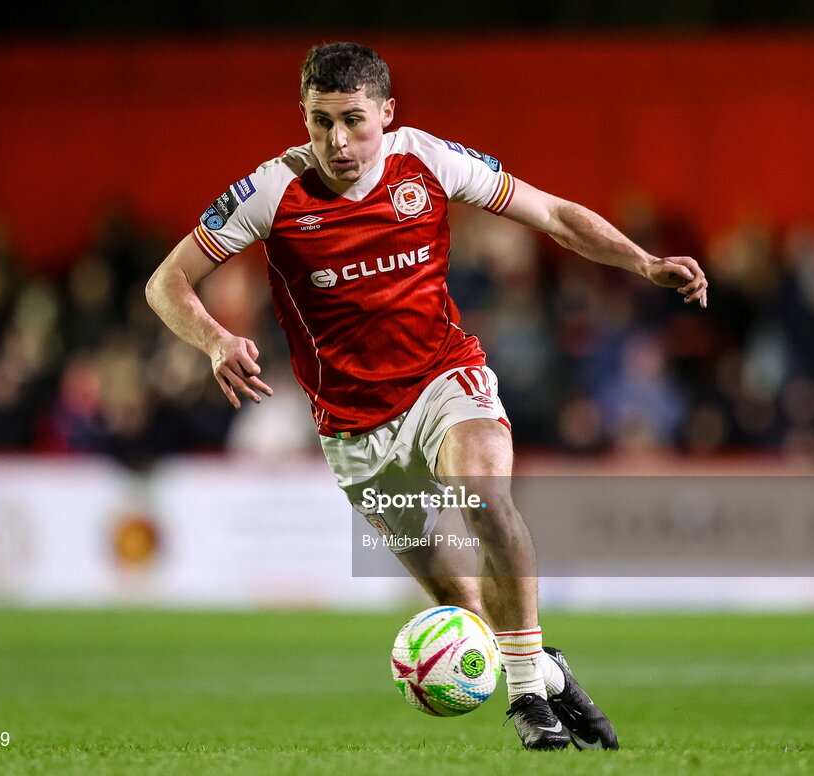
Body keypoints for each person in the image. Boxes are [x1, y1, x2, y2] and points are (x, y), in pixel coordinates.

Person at [146, 42, 708, 751]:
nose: (338, 141)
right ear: (304, 117)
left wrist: (644, 261)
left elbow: (555, 216)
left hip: (443, 381)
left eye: (353, 120)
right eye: (321, 122)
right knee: (462, 609)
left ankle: (528, 697)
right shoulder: (271, 191)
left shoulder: (429, 161)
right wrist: (216, 341)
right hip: (355, 431)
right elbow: (165, 282)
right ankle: (547, 670)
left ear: (386, 113)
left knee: (484, 494)